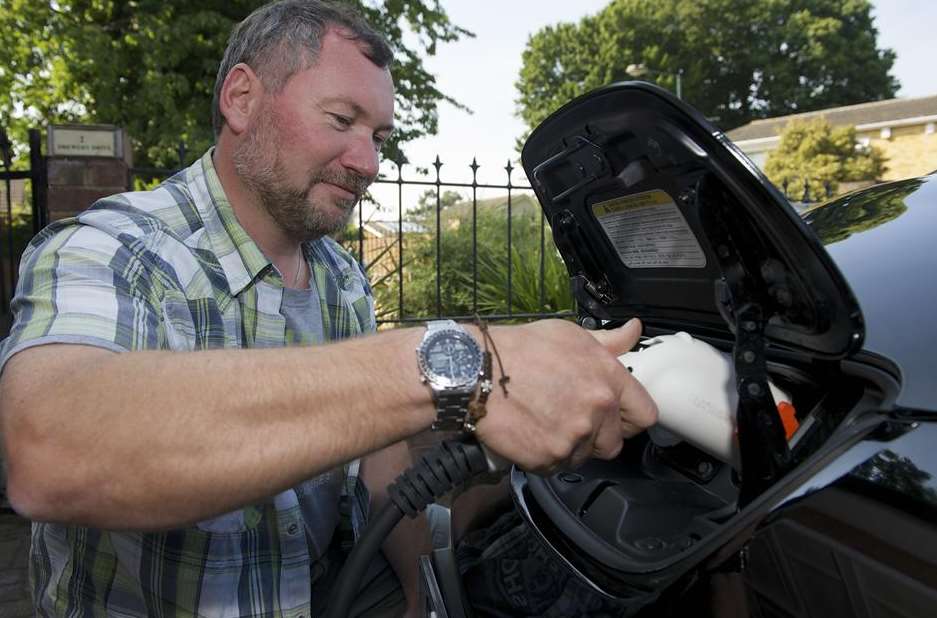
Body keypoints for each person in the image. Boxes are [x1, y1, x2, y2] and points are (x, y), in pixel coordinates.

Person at [0, 1, 657, 616]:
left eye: (377, 134)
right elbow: (49, 450)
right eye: (341, 121)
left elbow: (382, 475)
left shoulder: (341, 276)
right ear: (241, 97)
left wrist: (417, 594)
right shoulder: (116, 246)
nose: (367, 162)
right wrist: (450, 363)